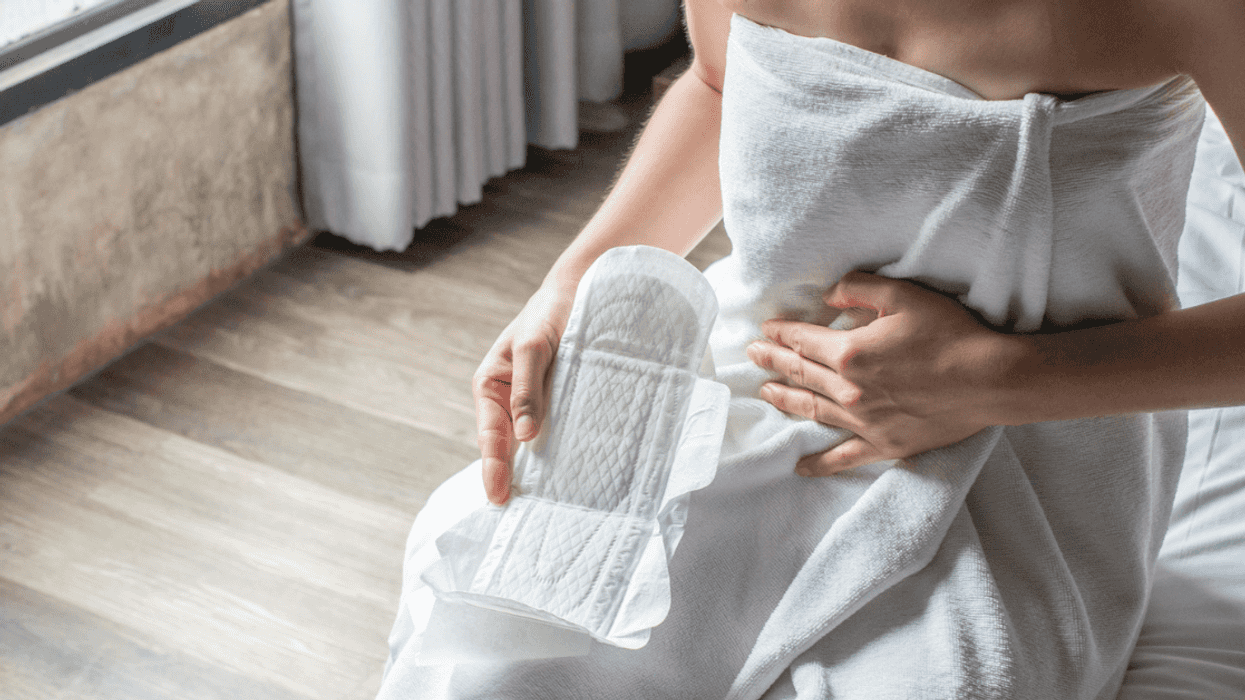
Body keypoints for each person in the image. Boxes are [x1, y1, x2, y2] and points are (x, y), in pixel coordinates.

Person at [379, 0, 1245, 697]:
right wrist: (569, 284)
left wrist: (999, 381)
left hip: (1026, 451)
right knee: (500, 652)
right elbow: (719, 85)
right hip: (759, 382)